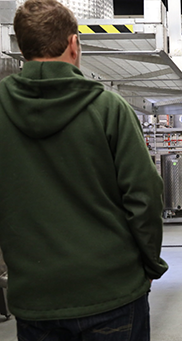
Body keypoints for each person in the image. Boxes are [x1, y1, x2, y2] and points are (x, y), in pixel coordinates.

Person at [0, 1, 168, 339]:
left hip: (36, 298)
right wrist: (151, 264)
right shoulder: (108, 108)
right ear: (74, 43)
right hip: (112, 292)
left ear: (21, 46)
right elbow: (145, 194)